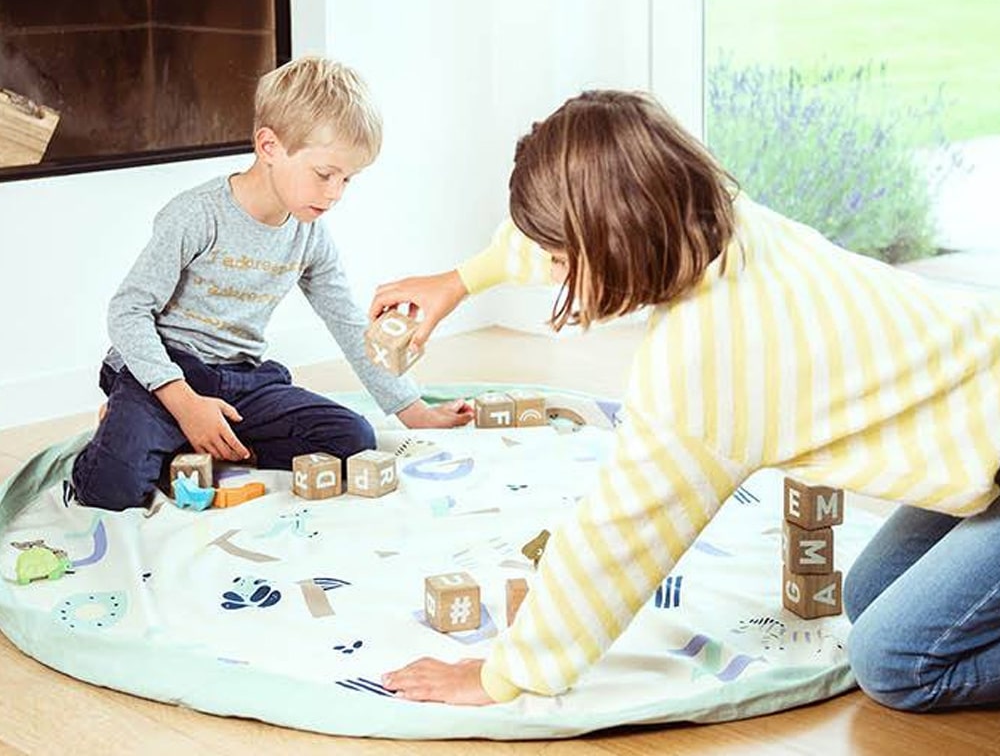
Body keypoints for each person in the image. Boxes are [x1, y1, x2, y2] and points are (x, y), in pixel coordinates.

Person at [376, 89, 1000, 711]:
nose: (557, 275)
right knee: (868, 597)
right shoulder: (722, 220)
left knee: (893, 662)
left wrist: (503, 675)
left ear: (615, 241)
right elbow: (599, 194)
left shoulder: (707, 365)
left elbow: (616, 540)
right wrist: (461, 281)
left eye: (564, 261)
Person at [71, 57, 472, 512]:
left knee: (352, 440)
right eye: (325, 174)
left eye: (347, 180)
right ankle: (134, 431)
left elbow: (348, 325)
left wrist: (413, 411)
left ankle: (189, 442)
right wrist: (182, 402)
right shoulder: (196, 215)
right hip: (166, 376)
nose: (336, 193)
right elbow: (126, 311)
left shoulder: (309, 237)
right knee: (114, 487)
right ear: (269, 146)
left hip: (241, 380)